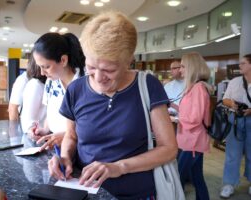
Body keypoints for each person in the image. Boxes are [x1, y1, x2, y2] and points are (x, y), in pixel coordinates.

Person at [48, 11, 178, 199]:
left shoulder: (148, 85)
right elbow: (72, 136)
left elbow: (169, 148)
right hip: (86, 190)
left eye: (109, 70)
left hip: (135, 193)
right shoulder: (76, 89)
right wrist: (66, 157)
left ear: (128, 61)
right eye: (91, 68)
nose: (99, 78)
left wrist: (119, 167)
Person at [29, 32, 85, 149]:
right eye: (40, 67)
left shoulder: (86, 81)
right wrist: (44, 130)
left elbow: (95, 124)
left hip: (81, 149)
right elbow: (51, 113)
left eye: (46, 67)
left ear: (63, 60)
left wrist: (67, 136)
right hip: (55, 146)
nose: (42, 73)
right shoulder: (51, 82)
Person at [177, 52, 211, 200]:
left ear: (192, 67)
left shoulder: (198, 88)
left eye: (183, 66)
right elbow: (190, 112)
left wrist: (176, 118)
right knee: (197, 178)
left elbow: (195, 119)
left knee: (178, 177)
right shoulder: (194, 88)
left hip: (192, 142)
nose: (180, 70)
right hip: (191, 140)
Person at [220, 54, 251, 198]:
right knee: (232, 154)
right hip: (235, 119)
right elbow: (225, 99)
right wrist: (232, 104)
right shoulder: (235, 81)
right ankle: (229, 184)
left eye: (243, 63)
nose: (240, 66)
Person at [20, 53, 47, 133]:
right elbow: (29, 120)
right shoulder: (35, 85)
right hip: (37, 138)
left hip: (43, 136)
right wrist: (32, 131)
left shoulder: (43, 84)